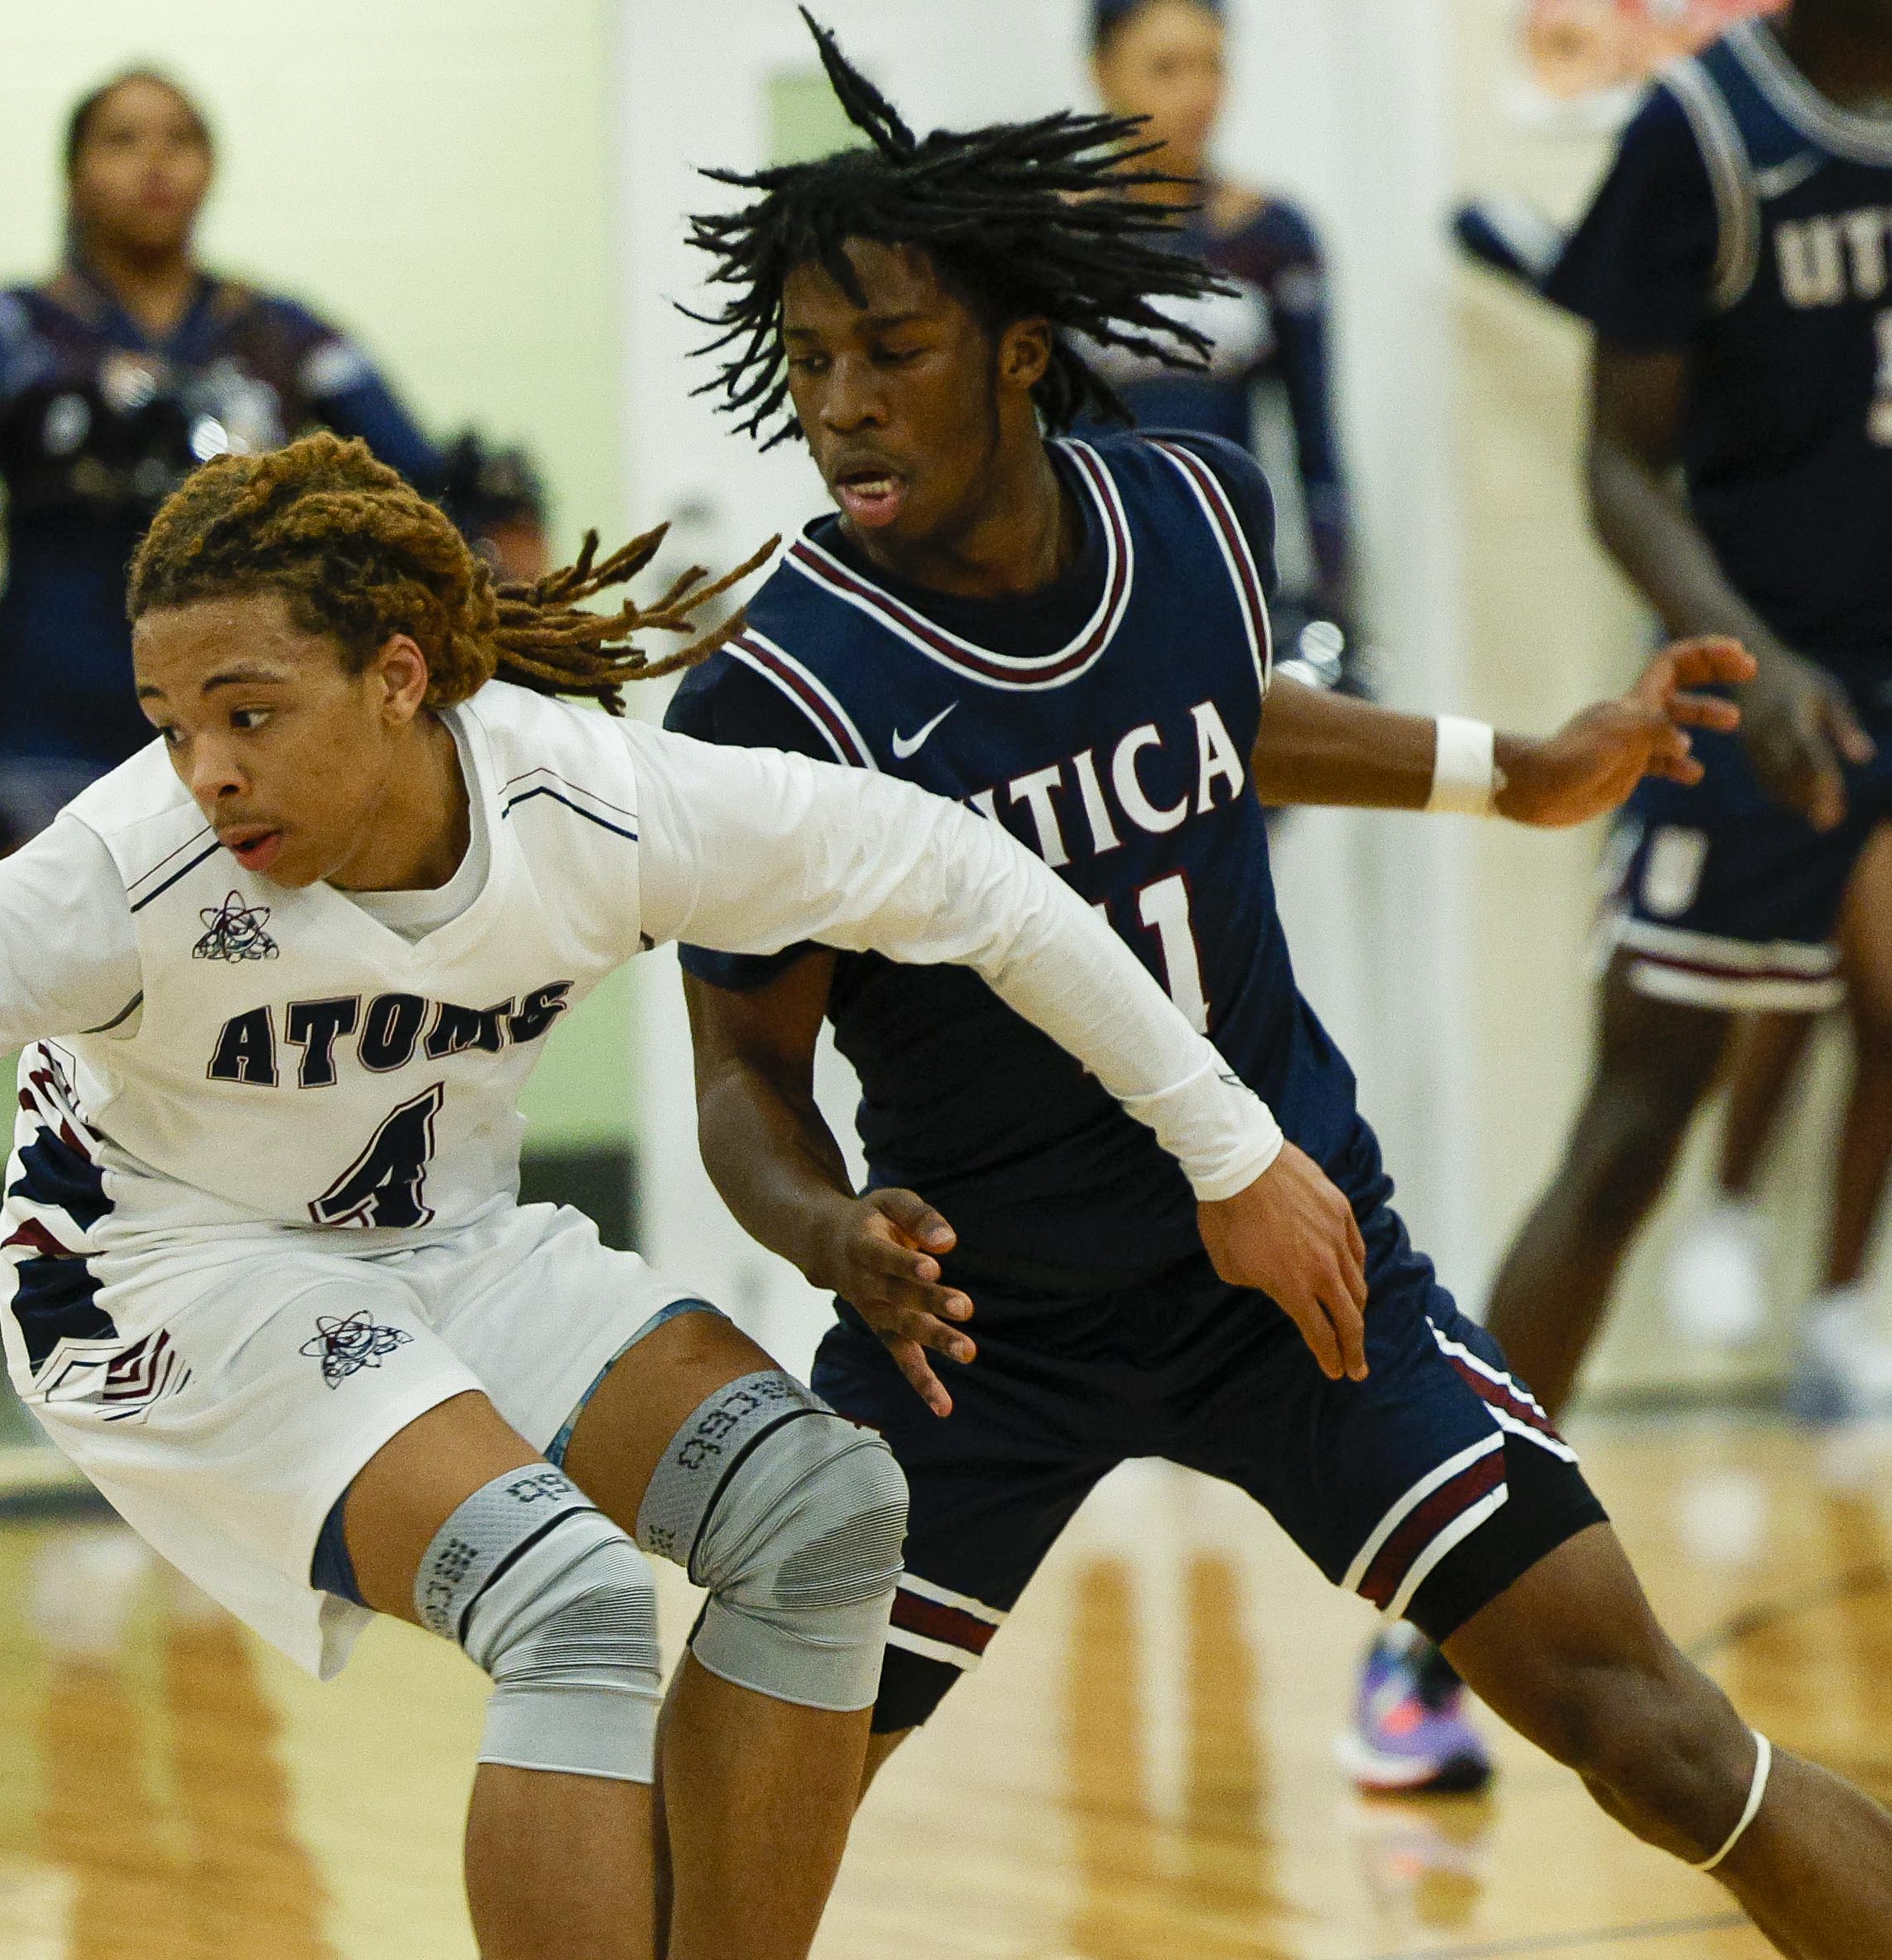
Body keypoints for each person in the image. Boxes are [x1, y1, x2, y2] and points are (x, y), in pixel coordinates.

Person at [0, 433, 1364, 1960]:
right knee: (574, 1604)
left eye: (249, 712)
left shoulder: (595, 805)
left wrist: (1234, 1145)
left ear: (400, 673)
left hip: (437, 1243)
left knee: (824, 1507)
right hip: (157, 1280)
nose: (199, 767)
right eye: (167, 717)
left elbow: (964, 876)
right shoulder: (117, 870)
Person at [667, 18, 1892, 1943]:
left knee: (1657, 1741)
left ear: (1011, 350)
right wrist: (829, 1230)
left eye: (887, 352)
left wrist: (1516, 770)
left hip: (1293, 1263)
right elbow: (740, 1076)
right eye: (808, 363)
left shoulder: (1190, 507)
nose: (838, 406)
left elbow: (1236, 718)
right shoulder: (775, 694)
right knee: (711, 1879)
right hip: (975, 1331)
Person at [1464, 0, 1892, 1437]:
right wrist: (1754, 662)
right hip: (1765, 680)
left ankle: (1829, 1302)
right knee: (1630, 1131)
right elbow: (1619, 465)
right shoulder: (1700, 135)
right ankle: (1458, 1590)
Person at [0, 68, 446, 856]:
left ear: (212, 167)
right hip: (51, 712)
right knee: (62, 964)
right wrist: (72, 385)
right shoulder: (23, 322)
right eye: (122, 141)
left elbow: (419, 467)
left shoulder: (271, 330)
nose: (155, 164)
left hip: (244, 720)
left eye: (182, 140)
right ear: (74, 174)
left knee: (243, 964)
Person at [1081, 0, 1358, 692]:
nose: (1198, 94)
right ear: (1103, 73)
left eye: (1214, 66)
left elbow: (1317, 451)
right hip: (1085, 593)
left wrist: (1337, 616)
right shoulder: (1051, 243)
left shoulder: (1271, 236)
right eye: (1166, 69)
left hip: (1231, 589)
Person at [1663, 824, 1892, 1400]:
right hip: (1812, 754)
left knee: (1885, 1012)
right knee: (1799, 967)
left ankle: (1839, 1302)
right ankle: (1727, 1205)